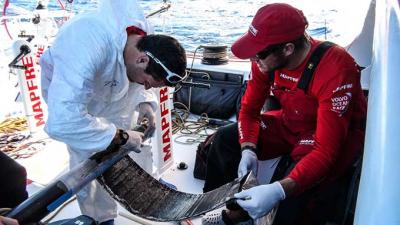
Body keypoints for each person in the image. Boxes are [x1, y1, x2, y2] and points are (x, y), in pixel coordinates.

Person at [202, 3, 366, 225]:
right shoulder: (265, 62)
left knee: (296, 190)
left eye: (258, 53)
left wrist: (278, 190)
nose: (253, 60)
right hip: (290, 122)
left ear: (288, 48)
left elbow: (326, 151)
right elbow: (249, 111)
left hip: (326, 135)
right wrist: (247, 148)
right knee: (224, 140)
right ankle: (224, 210)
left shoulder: (336, 67)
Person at [40, 0, 187, 224]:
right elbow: (63, 122)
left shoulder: (146, 39)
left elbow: (142, 82)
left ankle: (147, 190)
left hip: (118, 86)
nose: (148, 88)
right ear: (141, 59)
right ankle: (100, 217)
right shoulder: (86, 41)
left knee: (139, 141)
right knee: (90, 157)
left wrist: (146, 104)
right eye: (149, 83)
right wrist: (118, 136)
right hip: (78, 97)